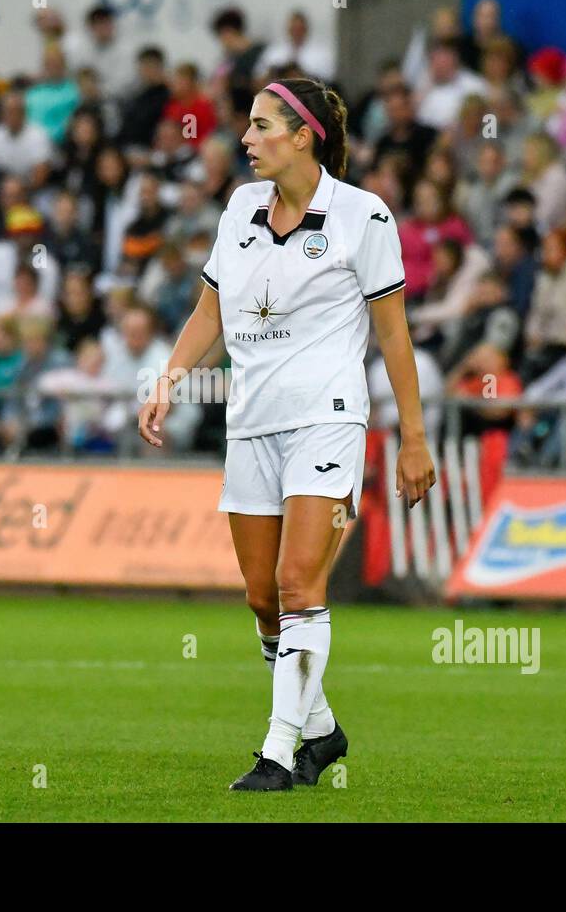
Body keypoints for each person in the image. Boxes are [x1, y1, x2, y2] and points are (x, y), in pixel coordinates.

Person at [136, 77, 436, 791]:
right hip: (250, 422)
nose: (245, 138)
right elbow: (210, 311)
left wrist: (413, 437)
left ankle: (277, 753)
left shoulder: (365, 217)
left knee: (299, 583)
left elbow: (395, 339)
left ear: (303, 137)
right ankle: (324, 731)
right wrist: (170, 379)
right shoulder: (241, 207)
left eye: (260, 125)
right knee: (262, 598)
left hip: (327, 418)